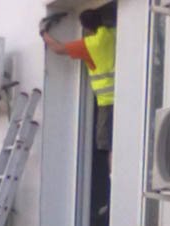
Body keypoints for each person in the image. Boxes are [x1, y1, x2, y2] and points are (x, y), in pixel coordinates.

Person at [40, 9, 116, 171]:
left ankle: (114, 179)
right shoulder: (114, 34)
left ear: (86, 29)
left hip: (107, 103)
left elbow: (58, 48)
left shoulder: (90, 44)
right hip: (126, 98)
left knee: (109, 145)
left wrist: (43, 33)